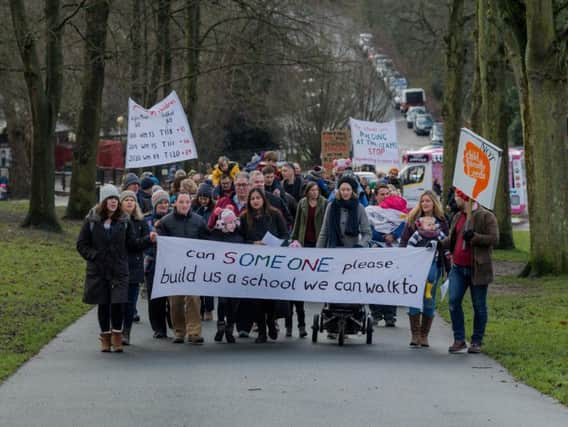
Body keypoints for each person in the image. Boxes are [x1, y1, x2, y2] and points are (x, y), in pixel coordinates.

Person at [76, 184, 140, 352]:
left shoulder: (124, 221)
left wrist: (149, 239)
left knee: (118, 303)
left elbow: (132, 244)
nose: (113, 202)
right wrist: (94, 256)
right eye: (109, 198)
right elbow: (82, 245)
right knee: (103, 304)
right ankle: (105, 336)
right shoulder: (92, 220)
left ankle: (117, 336)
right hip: (99, 270)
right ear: (103, 201)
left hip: (119, 269)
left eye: (115, 199)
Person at [443, 189, 498, 354]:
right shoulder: (458, 217)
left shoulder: (486, 216)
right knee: (453, 302)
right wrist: (439, 244)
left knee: (479, 306)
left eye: (458, 196)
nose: (455, 199)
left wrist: (474, 237)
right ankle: (459, 339)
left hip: (478, 268)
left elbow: (494, 238)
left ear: (466, 198)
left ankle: (476, 341)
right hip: (458, 268)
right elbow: (453, 238)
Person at [156, 192, 210, 344]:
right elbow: (160, 243)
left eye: (187, 202)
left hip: (193, 267)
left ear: (190, 204)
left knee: (194, 298)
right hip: (174, 267)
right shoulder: (165, 222)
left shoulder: (199, 221)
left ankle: (194, 332)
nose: (185, 205)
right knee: (175, 301)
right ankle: (179, 332)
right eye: (181, 202)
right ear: (175, 204)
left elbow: (207, 240)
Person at [400, 190, 449, 346]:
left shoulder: (441, 222)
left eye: (428, 201)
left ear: (434, 202)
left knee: (429, 299)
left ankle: (424, 334)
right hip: (414, 265)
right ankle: (414, 334)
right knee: (414, 296)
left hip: (433, 264)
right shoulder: (412, 220)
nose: (425, 204)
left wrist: (447, 260)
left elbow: (446, 243)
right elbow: (405, 242)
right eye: (423, 201)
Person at [239, 188, 289, 343]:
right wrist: (253, 243)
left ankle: (271, 322)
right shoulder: (244, 217)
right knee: (257, 299)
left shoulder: (275, 214)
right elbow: (239, 240)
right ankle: (261, 331)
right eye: (252, 198)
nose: (255, 201)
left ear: (263, 199)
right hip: (253, 263)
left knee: (271, 297)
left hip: (272, 262)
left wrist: (277, 245)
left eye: (258, 198)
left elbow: (285, 235)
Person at [287, 181, 327, 338]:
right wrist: (293, 240)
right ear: (307, 192)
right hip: (304, 241)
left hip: (318, 240)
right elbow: (297, 223)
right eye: (312, 190)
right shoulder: (302, 204)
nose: (314, 192)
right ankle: (292, 326)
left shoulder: (324, 203)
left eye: (316, 190)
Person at [119, 190, 153, 345]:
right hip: (119, 266)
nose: (129, 202)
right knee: (119, 301)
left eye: (132, 200)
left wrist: (149, 239)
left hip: (135, 267)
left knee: (131, 303)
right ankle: (116, 331)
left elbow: (142, 243)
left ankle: (126, 332)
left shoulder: (141, 222)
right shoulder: (117, 221)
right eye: (126, 200)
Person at [208, 208, 245, 343]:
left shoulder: (239, 236)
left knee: (233, 303)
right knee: (223, 301)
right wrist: (216, 228)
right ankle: (220, 327)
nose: (231, 225)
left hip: (236, 275)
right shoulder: (217, 235)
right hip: (222, 275)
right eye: (228, 222)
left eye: (233, 222)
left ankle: (230, 329)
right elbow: (207, 242)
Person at [144, 190, 172, 339]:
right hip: (153, 262)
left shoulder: (173, 218)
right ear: (155, 204)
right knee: (155, 298)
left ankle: (173, 321)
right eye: (160, 202)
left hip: (171, 262)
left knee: (172, 296)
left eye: (166, 202)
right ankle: (159, 328)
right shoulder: (147, 220)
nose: (163, 205)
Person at [317, 175, 372, 249]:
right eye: (342, 189)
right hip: (333, 249)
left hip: (352, 250)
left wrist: (360, 245)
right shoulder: (331, 206)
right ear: (339, 190)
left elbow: (367, 233)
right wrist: (318, 251)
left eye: (348, 189)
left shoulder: (359, 208)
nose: (345, 192)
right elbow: (324, 232)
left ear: (352, 191)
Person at [191, 182, 216, 321]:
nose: (203, 200)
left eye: (205, 197)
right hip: (197, 248)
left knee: (208, 281)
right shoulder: (195, 209)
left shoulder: (214, 210)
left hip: (209, 248)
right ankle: (199, 308)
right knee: (198, 280)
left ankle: (209, 308)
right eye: (201, 197)